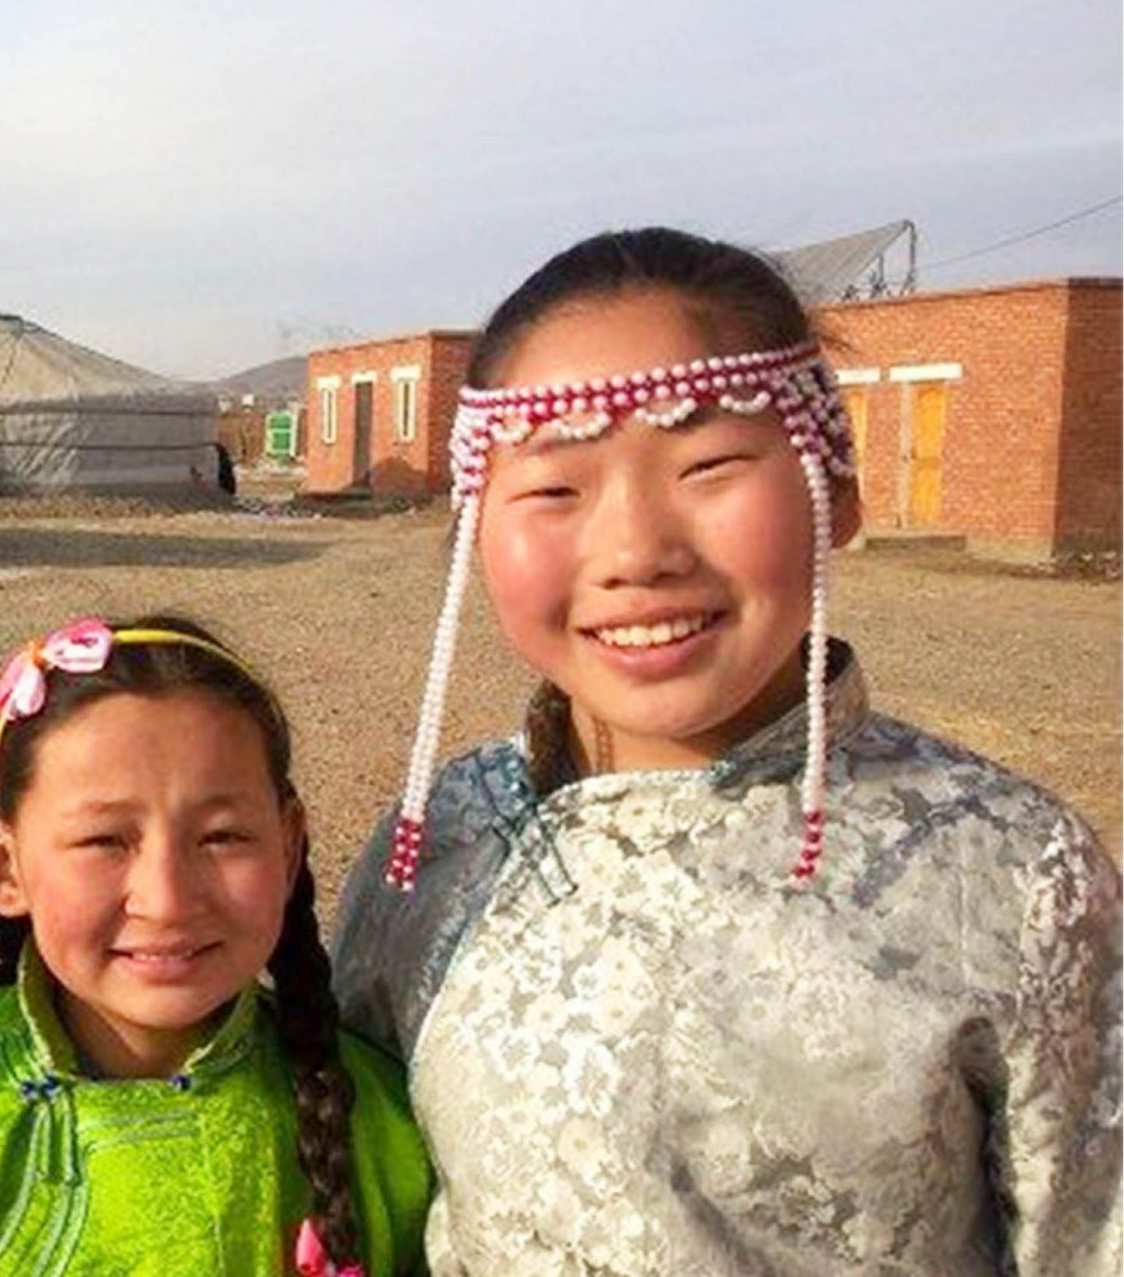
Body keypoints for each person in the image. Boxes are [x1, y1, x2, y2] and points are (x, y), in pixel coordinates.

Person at [335, 226, 1121, 1274]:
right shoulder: (435, 844)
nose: (636, 553)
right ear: (477, 527)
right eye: (555, 489)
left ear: (835, 488)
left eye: (707, 467)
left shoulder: (1014, 874)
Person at [0, 615, 433, 1277]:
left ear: (288, 843)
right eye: (105, 841)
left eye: (221, 837)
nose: (167, 899)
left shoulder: (384, 1125)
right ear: (2, 865)